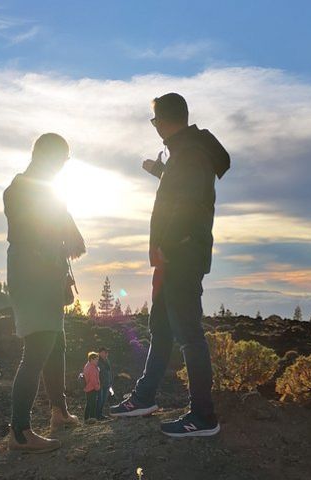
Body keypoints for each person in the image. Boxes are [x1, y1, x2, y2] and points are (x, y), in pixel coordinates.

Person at [110, 93, 230, 438]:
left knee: (189, 334)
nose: (155, 127)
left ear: (164, 120)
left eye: (155, 121)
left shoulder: (190, 153)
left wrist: (167, 243)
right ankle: (145, 398)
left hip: (181, 256)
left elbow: (188, 204)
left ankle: (203, 416)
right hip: (179, 254)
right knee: (161, 328)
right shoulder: (187, 152)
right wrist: (161, 171)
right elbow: (184, 192)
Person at [4, 133, 86, 453]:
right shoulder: (24, 190)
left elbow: (58, 240)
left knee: (56, 344)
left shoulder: (37, 189)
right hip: (34, 277)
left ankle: (58, 412)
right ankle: (20, 432)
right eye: (62, 161)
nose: (63, 167)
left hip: (43, 276)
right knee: (37, 349)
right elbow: (36, 239)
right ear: (49, 157)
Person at [83, 352, 101, 422]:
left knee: (88, 404)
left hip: (87, 388)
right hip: (92, 388)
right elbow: (93, 380)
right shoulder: (92, 368)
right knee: (93, 404)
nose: (97, 361)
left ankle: (86, 418)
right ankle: (92, 419)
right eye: (96, 359)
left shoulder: (88, 365)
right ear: (91, 359)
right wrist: (97, 387)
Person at [96, 347, 112, 419]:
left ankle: (100, 414)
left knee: (104, 399)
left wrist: (110, 381)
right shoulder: (97, 361)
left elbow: (109, 372)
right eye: (103, 352)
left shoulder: (107, 360)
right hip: (100, 384)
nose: (105, 354)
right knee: (100, 399)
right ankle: (97, 414)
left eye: (106, 352)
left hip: (107, 383)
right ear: (99, 353)